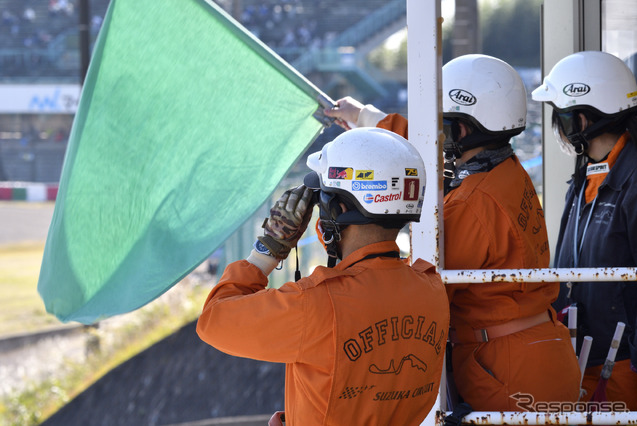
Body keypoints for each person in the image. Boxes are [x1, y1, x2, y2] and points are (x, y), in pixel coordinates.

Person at [324, 54, 581, 411]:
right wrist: (365, 119)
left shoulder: (470, 205)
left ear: (461, 130)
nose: (435, 134)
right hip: (535, 353)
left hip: (505, 372)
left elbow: (424, 294)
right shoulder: (503, 168)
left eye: (443, 125)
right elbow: (427, 142)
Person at [197, 127, 449, 425]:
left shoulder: (317, 304)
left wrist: (269, 248)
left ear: (338, 208)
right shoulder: (431, 289)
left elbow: (214, 321)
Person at [532, 50, 637, 408]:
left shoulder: (634, 179)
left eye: (560, 117)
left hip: (623, 362)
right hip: (585, 353)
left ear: (582, 119)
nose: (559, 128)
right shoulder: (590, 172)